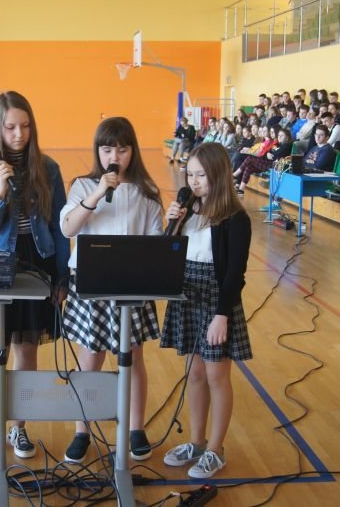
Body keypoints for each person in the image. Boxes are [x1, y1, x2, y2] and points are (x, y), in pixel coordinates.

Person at [0, 91, 70, 460]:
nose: (19, 135)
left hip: (36, 263)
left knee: (26, 353)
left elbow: (59, 228)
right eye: (10, 127)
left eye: (25, 126)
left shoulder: (48, 168)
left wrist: (62, 278)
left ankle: (18, 428)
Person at [59, 116, 164, 463]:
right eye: (107, 150)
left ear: (133, 151)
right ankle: (82, 430)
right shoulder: (82, 186)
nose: (114, 157)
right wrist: (98, 193)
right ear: (98, 152)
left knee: (132, 357)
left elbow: (155, 241)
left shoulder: (146, 192)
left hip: (131, 283)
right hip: (91, 282)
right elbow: (68, 229)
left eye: (122, 149)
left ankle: (136, 428)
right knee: (90, 358)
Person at [160, 142, 252, 479]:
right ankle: (196, 443)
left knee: (216, 376)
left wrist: (221, 315)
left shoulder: (235, 219)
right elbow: (167, 251)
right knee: (195, 374)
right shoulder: (188, 211)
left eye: (201, 175)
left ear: (218, 175)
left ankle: (216, 449)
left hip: (216, 300)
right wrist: (171, 223)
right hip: (188, 297)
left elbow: (235, 273)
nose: (194, 181)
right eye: (190, 174)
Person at [234, 128, 292, 195]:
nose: (279, 137)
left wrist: (269, 154)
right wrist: (268, 154)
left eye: (281, 135)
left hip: (273, 165)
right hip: (267, 162)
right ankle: (241, 190)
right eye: (279, 135)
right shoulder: (277, 144)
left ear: (287, 137)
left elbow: (274, 155)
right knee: (248, 167)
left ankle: (235, 174)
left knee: (250, 158)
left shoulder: (287, 145)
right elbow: (267, 153)